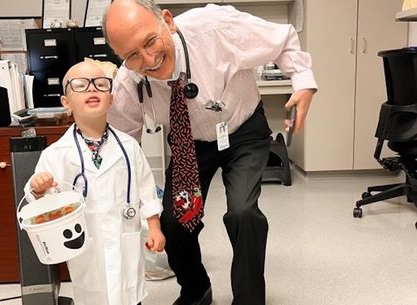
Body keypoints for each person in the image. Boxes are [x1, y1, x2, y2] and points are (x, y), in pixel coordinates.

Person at [104, 1, 318, 304]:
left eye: (150, 41)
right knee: (174, 221)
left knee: (243, 213)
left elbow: (282, 40)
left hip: (242, 129)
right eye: (132, 55)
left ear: (167, 21)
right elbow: (123, 143)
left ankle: (248, 299)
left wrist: (303, 82)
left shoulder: (215, 26)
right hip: (187, 141)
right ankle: (196, 289)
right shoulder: (129, 79)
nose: (149, 59)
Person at [24, 60, 166, 305]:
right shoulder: (57, 153)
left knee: (128, 294)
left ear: (111, 99)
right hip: (87, 246)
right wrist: (38, 187)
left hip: (125, 240)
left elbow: (147, 190)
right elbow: (41, 199)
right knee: (93, 295)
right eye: (80, 85)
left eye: (100, 84)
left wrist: (154, 227)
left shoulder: (129, 146)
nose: (92, 89)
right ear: (66, 103)